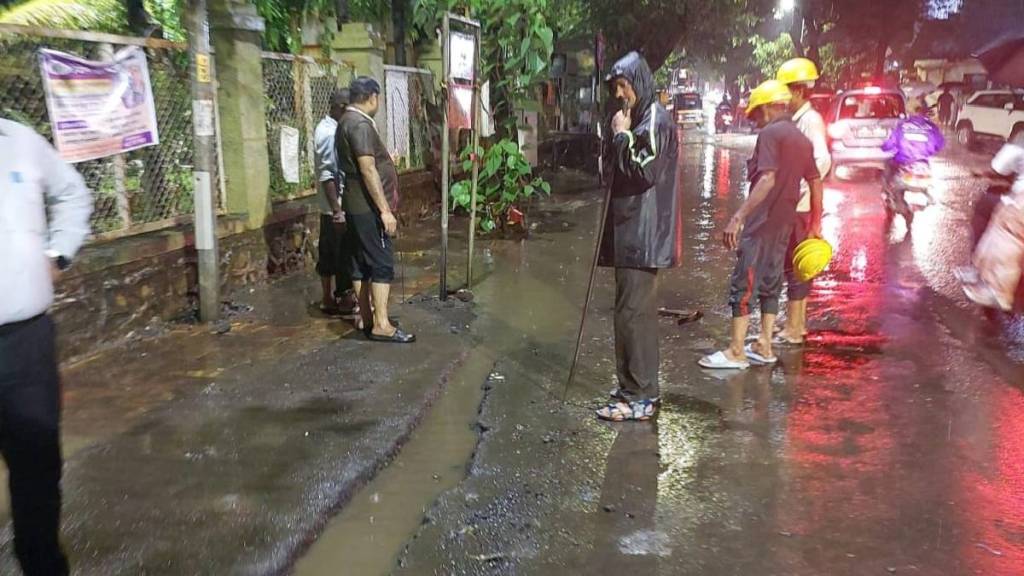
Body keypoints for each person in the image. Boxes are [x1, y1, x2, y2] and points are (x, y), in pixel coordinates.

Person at [0, 118, 93, 575]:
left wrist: (59, 253)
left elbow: (72, 193)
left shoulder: (17, 141)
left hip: (23, 344)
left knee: (37, 466)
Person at [698, 80, 823, 370]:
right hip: (785, 225)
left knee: (743, 285)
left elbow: (767, 178)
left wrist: (738, 216)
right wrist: (815, 222)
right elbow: (816, 182)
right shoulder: (802, 140)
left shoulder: (770, 134)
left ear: (768, 107)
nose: (754, 120)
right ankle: (764, 345)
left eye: (755, 114)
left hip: (762, 224)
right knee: (771, 284)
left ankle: (737, 351)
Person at [594, 52, 683, 422]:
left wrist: (619, 137)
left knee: (634, 314)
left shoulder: (654, 120)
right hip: (631, 231)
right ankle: (631, 386)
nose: (620, 94)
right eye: (616, 87)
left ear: (639, 82)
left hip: (643, 235)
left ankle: (642, 393)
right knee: (627, 313)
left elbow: (642, 171)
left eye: (624, 85)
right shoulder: (639, 118)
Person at [335, 76, 415, 343]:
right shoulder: (358, 125)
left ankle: (368, 317)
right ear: (372, 97)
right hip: (366, 206)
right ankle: (381, 323)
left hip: (355, 204)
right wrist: (384, 210)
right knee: (381, 262)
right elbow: (368, 168)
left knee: (360, 262)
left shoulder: (346, 121)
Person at [775, 58, 832, 346]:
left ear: (798, 91)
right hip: (797, 207)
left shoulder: (810, 121)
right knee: (792, 266)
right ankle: (794, 324)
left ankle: (795, 328)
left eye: (787, 92)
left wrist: (794, 188)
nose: (784, 99)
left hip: (801, 208)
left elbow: (821, 161)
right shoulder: (798, 120)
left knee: (796, 267)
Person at [959, 132, 1024, 311]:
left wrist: (979, 173)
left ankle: (997, 289)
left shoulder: (1021, 139)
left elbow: (998, 168)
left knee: (1005, 232)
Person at [314, 88, 356, 316]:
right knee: (340, 255)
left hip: (330, 206)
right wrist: (338, 210)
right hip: (335, 206)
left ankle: (328, 298)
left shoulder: (329, 129)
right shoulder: (330, 134)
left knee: (329, 252)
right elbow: (328, 174)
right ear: (341, 107)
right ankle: (341, 298)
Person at [880, 98, 944, 226]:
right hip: (924, 169)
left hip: (904, 166)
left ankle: (888, 197)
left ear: (909, 110)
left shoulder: (902, 126)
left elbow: (889, 144)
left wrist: (884, 147)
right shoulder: (931, 126)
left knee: (889, 176)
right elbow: (940, 144)